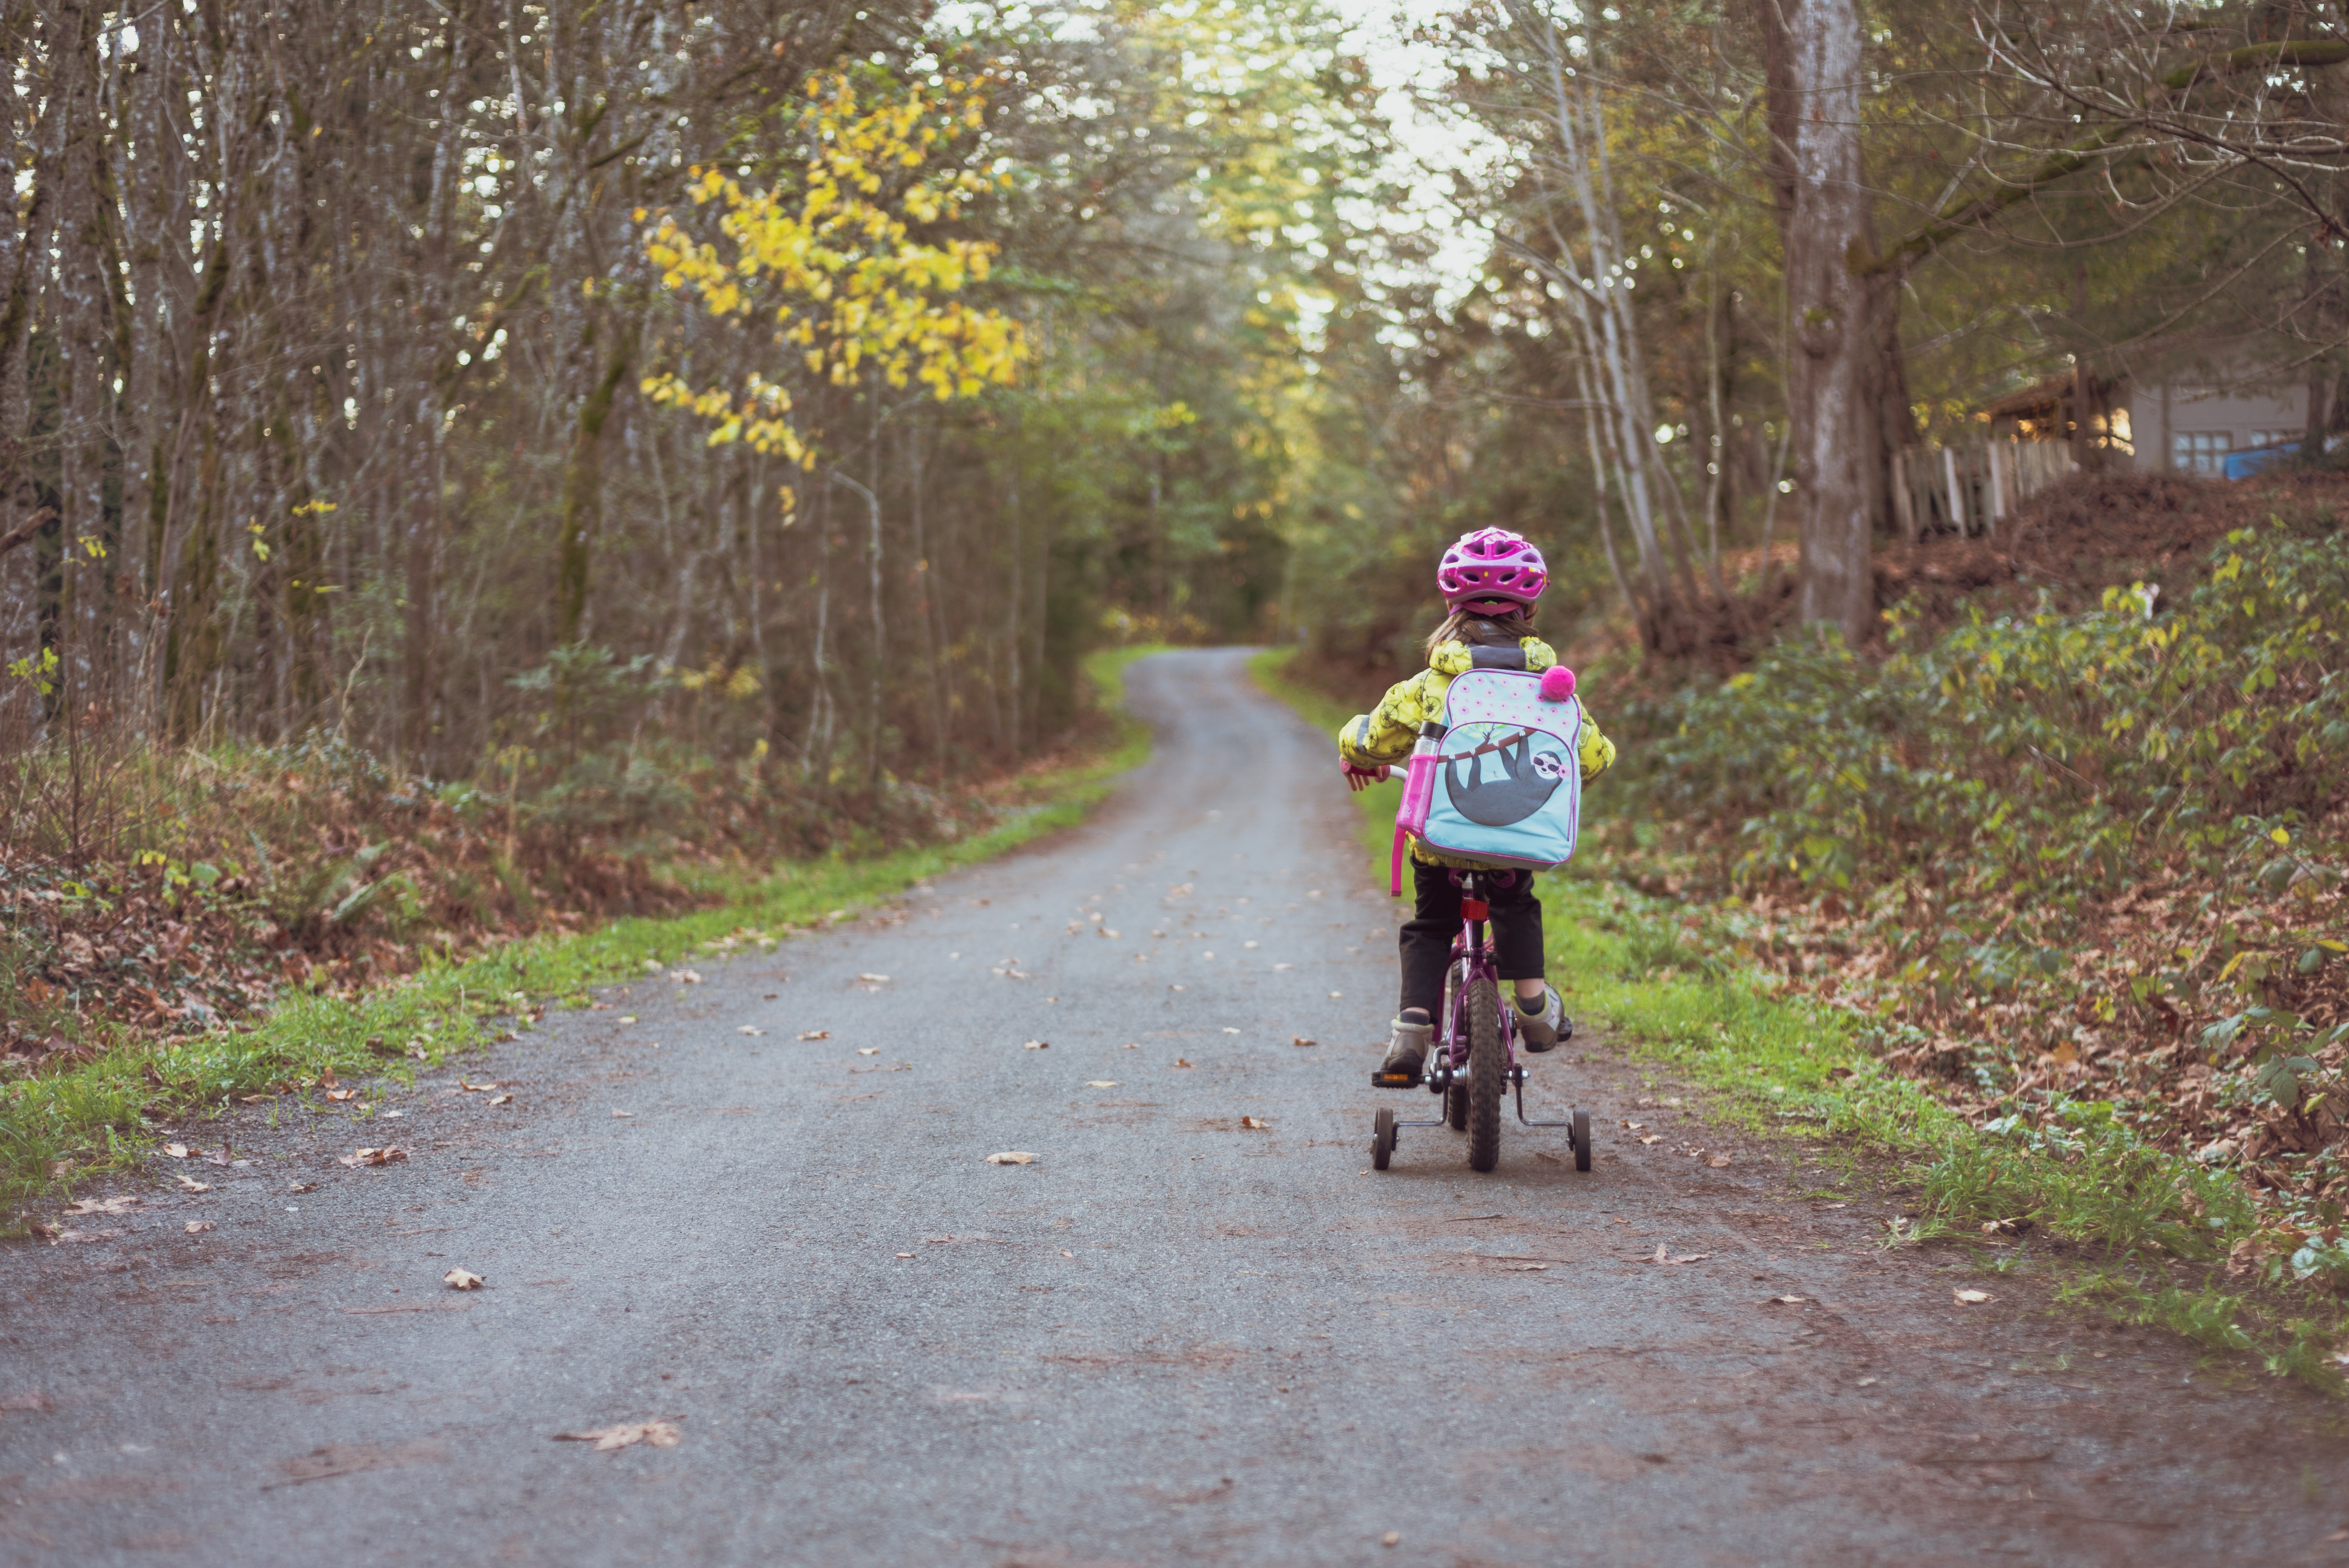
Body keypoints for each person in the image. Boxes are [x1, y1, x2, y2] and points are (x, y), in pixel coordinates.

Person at [1335, 528, 1616, 1087]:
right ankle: (1534, 1008)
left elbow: (1373, 738)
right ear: (1531, 608)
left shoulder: (1432, 684)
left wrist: (1352, 748)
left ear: (1450, 605)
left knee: (1431, 924)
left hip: (1441, 843)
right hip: (1516, 842)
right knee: (1517, 906)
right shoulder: (1552, 689)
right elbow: (1594, 758)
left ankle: (1412, 1031)